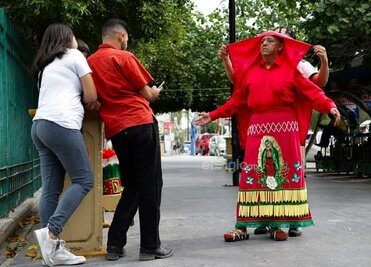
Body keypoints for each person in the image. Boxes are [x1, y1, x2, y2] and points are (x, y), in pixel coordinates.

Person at [194, 31, 340, 242]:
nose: (264, 43)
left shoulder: (291, 70)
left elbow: (314, 91)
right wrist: (212, 115)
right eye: (262, 41)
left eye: (269, 41)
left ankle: (278, 223)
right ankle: (242, 226)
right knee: (251, 176)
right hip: (257, 129)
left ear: (280, 47)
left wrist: (330, 106)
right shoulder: (251, 73)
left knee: (280, 176)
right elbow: (236, 102)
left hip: (286, 130)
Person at [87, 18, 173, 261]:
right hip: (140, 123)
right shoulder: (125, 57)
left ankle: (115, 244)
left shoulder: (89, 63)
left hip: (116, 129)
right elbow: (148, 94)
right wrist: (155, 92)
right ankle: (149, 246)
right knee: (151, 185)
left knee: (133, 185)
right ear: (121, 37)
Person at [31, 23, 98, 266]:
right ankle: (52, 234)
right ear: (65, 39)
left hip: (40, 127)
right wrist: (88, 100)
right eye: (72, 35)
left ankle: (50, 251)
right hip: (62, 125)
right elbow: (91, 96)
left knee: (51, 188)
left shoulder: (45, 67)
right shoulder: (74, 55)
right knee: (84, 180)